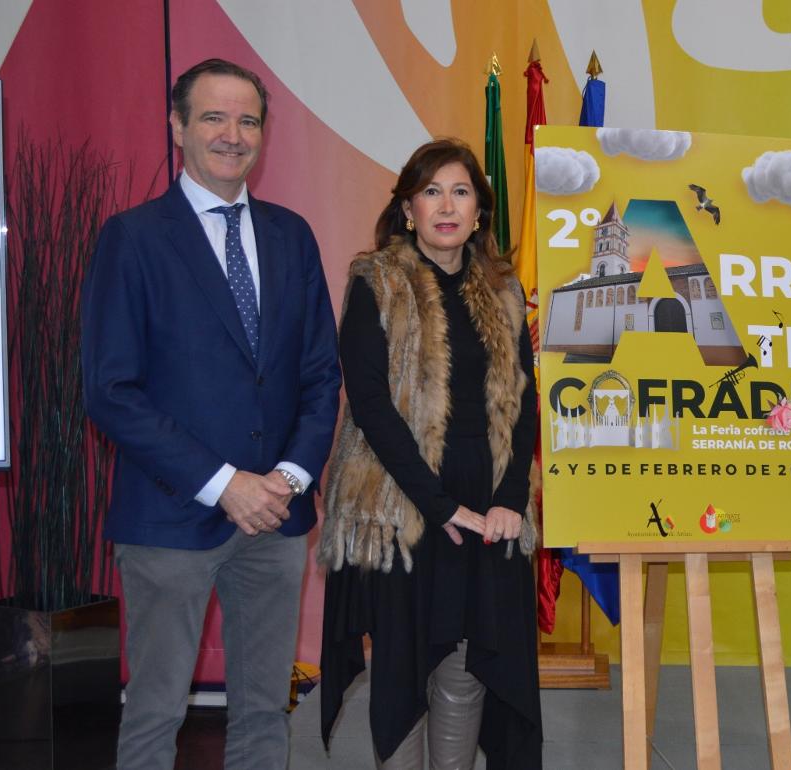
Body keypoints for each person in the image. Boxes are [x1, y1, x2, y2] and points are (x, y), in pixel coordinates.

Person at [81, 58, 341, 769]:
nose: (233, 134)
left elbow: (321, 374)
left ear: (263, 132)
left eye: (248, 119)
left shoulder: (292, 236)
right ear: (177, 127)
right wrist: (225, 482)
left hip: (277, 520)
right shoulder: (132, 238)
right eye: (214, 117)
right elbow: (110, 390)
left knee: (263, 717)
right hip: (170, 518)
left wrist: (285, 478)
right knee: (154, 717)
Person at [318, 138, 541, 769]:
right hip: (403, 504)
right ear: (409, 208)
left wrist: (508, 502)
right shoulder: (377, 281)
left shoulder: (503, 291)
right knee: (406, 661)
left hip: (489, 503)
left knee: (470, 659)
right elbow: (368, 403)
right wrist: (438, 505)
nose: (447, 205)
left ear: (479, 212)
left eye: (461, 191)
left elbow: (523, 402)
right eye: (431, 191)